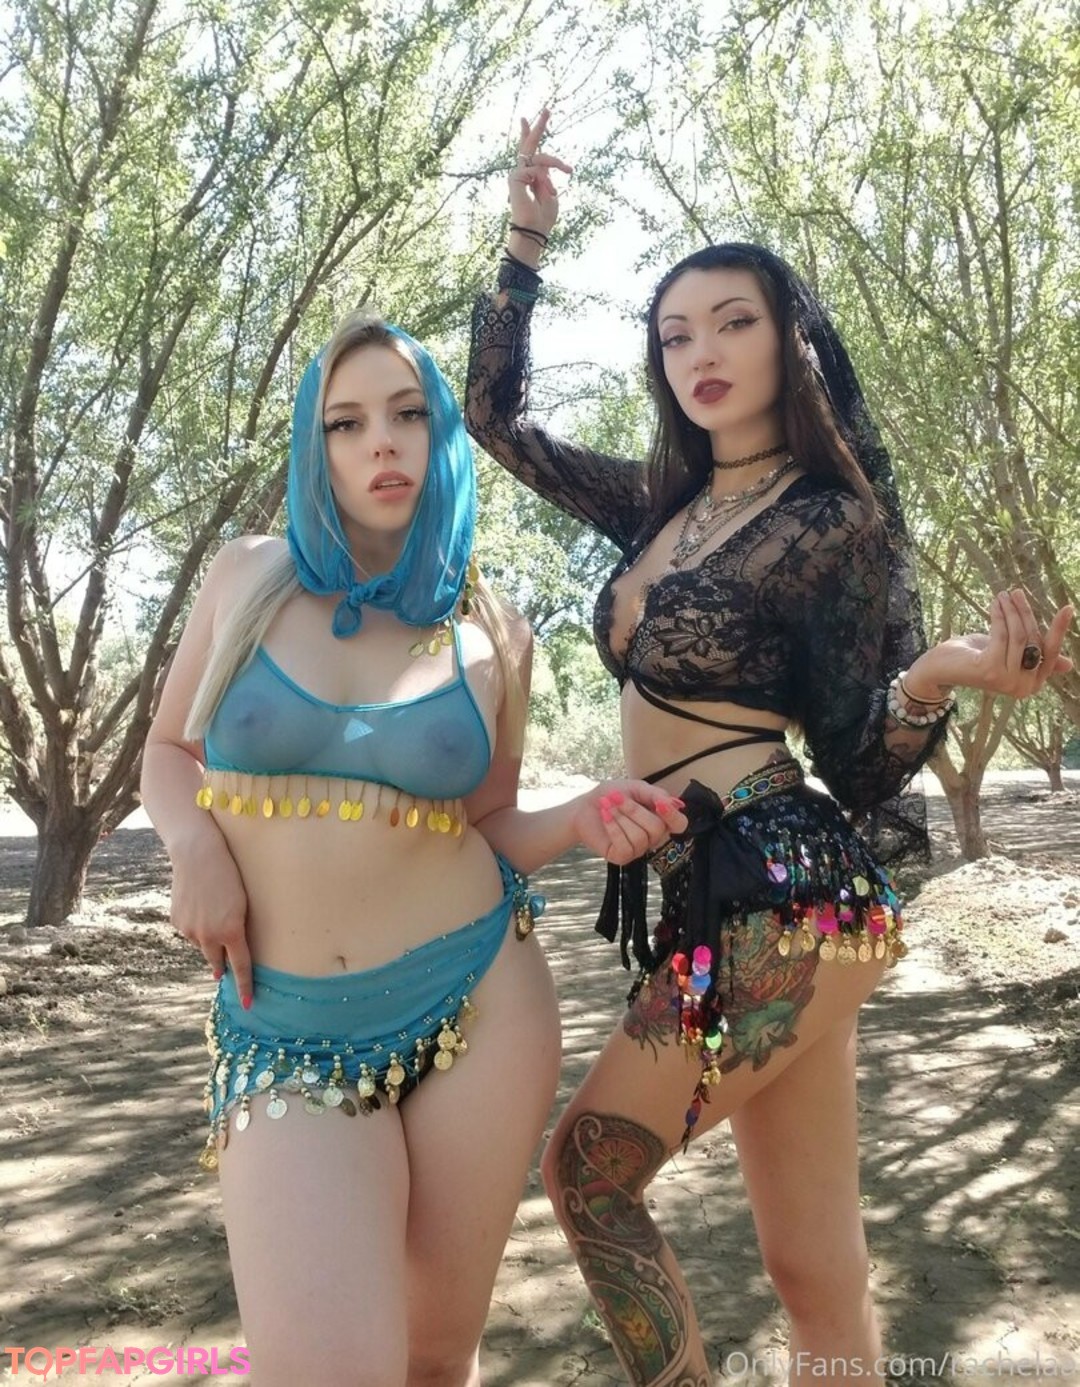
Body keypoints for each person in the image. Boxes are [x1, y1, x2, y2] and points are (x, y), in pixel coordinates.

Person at [463, 111, 1075, 1386]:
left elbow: (859, 763)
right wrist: (525, 246)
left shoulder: (831, 519)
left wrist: (940, 675)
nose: (702, 351)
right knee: (814, 1269)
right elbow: (493, 419)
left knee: (590, 1175)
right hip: (707, 892)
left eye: (733, 322)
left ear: (790, 339)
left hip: (788, 887)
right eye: (675, 334)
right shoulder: (661, 504)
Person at [140, 311, 686, 1387]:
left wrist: (579, 818)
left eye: (407, 414)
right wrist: (192, 845)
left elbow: (485, 825)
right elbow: (166, 749)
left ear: (440, 434)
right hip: (284, 1028)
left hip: (478, 1006)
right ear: (316, 447)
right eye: (345, 423)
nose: (380, 442)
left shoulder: (494, 629)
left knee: (434, 1358)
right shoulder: (246, 577)